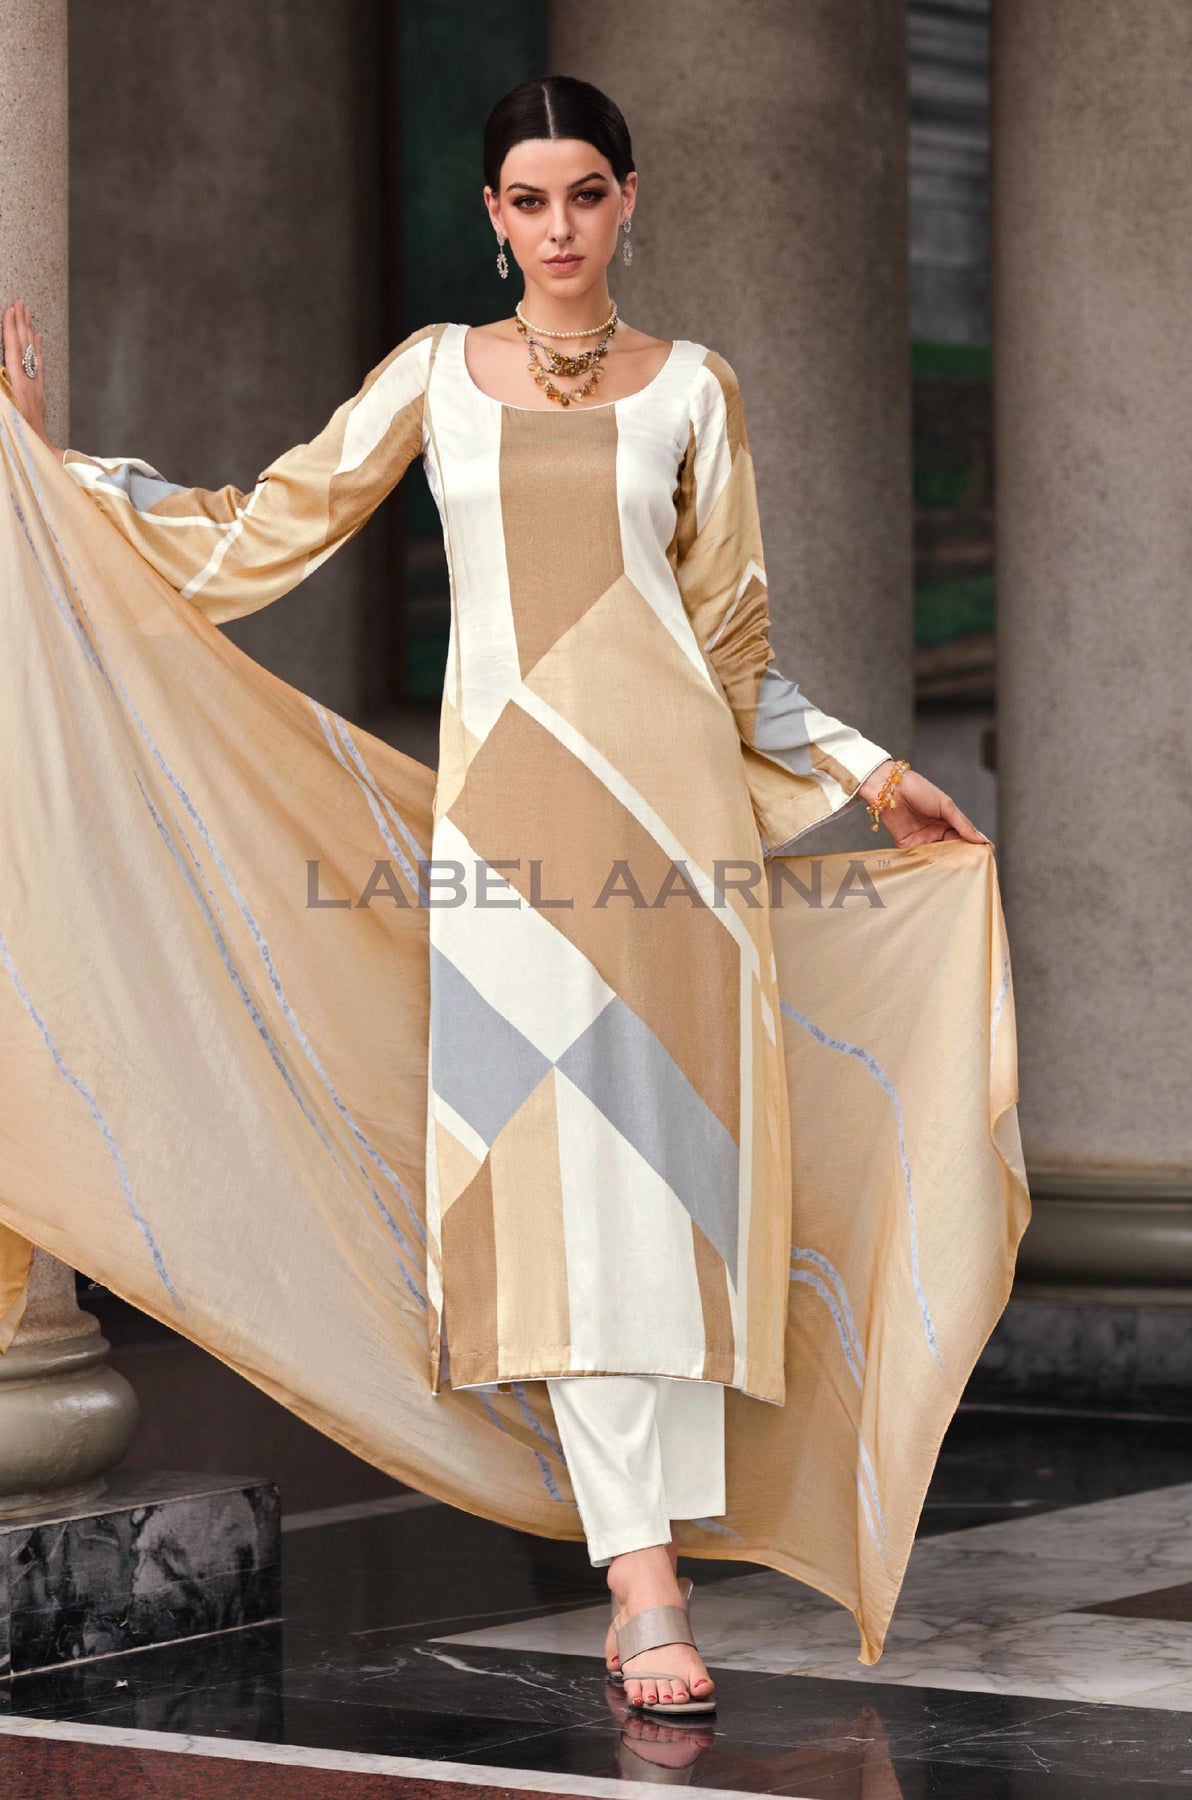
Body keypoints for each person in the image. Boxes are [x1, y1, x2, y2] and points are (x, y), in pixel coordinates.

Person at [1, 74, 991, 1718]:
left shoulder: (697, 391)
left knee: (669, 1201)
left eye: (585, 194)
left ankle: (650, 1551)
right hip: (510, 851)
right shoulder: (434, 378)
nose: (558, 228)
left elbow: (733, 649)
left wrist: (875, 775)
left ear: (628, 200)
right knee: (556, 1199)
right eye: (529, 201)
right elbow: (260, 533)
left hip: (678, 849)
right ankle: (643, 1581)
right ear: (492, 216)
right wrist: (45, 474)